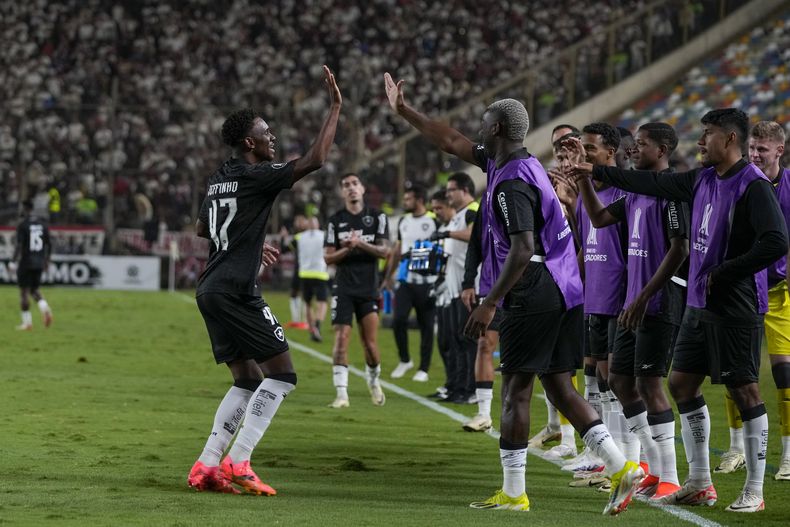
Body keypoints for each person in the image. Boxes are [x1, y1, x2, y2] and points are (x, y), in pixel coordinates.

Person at [385, 72, 642, 515]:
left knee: (516, 391)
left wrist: (489, 302)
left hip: (535, 288)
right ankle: (622, 468)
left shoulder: (509, 183)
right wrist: (405, 110)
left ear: (498, 129)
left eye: (485, 120)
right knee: (561, 387)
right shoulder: (515, 163)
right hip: (567, 289)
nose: (478, 127)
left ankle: (514, 492)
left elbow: (523, 247)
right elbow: (451, 140)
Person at [567, 108, 788, 513]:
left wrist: (725, 272)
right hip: (698, 304)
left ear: (731, 140)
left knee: (745, 390)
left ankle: (754, 489)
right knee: (682, 384)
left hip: (736, 305)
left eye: (708, 134)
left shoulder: (753, 186)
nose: (701, 142)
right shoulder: (703, 178)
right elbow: (647, 181)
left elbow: (776, 242)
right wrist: (594, 174)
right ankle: (700, 480)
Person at [188, 65, 341, 495]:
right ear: (249, 143)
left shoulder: (221, 177)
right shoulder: (258, 176)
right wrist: (334, 107)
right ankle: (240, 460)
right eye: (267, 133)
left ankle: (206, 465)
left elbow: (203, 229)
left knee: (247, 379)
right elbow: (317, 160)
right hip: (237, 290)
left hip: (210, 288)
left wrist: (248, 244)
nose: (273, 138)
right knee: (282, 375)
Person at [574, 122, 689, 501]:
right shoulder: (638, 192)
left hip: (657, 303)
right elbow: (600, 219)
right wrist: (584, 182)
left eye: (641, 144)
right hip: (632, 303)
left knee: (650, 385)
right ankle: (651, 468)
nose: (634, 149)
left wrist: (642, 297)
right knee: (621, 381)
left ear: (662, 150)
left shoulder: (671, 193)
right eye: (634, 143)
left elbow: (680, 249)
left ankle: (669, 476)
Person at [716, 121, 790, 480]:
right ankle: (736, 448)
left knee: (784, 374)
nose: (756, 155)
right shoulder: (737, 182)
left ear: (780, 150)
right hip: (743, 290)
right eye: (753, 148)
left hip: (780, 292)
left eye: (763, 149)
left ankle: (789, 454)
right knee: (737, 372)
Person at [554, 123, 629, 475]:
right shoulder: (589, 193)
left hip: (619, 300)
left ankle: (621, 459)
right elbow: (585, 246)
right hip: (592, 298)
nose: (583, 156)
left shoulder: (622, 193)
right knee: (595, 378)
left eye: (590, 150)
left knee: (616, 383)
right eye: (580, 149)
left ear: (610, 153)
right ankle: (599, 455)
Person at [324, 173, 390, 408]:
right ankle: (342, 394)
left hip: (368, 288)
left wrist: (359, 243)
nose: (351, 188)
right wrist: (347, 249)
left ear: (362, 189)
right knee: (341, 338)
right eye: (346, 185)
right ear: (342, 192)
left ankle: (373, 381)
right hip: (343, 288)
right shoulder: (335, 221)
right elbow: (328, 257)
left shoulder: (377, 216)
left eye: (354, 184)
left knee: (370, 345)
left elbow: (384, 252)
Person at [382, 183, 439, 381]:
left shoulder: (435, 220)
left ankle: (423, 368)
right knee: (398, 320)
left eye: (408, 199)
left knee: (426, 325)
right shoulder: (403, 221)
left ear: (420, 200)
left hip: (428, 281)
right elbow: (398, 249)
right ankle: (405, 359)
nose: (405, 202)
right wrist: (388, 276)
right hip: (405, 280)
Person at [431, 173, 479, 406]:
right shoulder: (458, 215)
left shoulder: (473, 210)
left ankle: (471, 389)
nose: (448, 194)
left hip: (469, 288)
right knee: (457, 341)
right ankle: (459, 386)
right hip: (453, 289)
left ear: (464, 190)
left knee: (468, 341)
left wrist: (447, 234)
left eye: (451, 190)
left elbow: (474, 236)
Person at [429, 189, 458, 400]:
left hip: (459, 290)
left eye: (439, 208)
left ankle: (463, 388)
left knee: (458, 343)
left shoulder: (462, 220)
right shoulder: (445, 227)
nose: (436, 212)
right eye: (434, 209)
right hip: (444, 290)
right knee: (445, 342)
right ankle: (451, 384)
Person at [12, 199, 53, 330]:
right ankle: (45, 308)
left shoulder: (23, 225)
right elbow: (49, 244)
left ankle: (27, 323)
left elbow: (19, 245)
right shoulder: (43, 224)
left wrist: (13, 262)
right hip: (39, 262)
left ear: (25, 209)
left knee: (24, 292)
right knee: (34, 289)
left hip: (26, 262)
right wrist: (46, 260)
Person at [296, 217, 329, 342]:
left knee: (308, 303)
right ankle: (318, 326)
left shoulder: (300, 237)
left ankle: (312, 330)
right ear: (318, 224)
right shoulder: (324, 235)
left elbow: (287, 247)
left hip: (305, 273)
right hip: (320, 273)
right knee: (322, 302)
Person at [285, 215, 309, 329]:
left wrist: (283, 237)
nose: (297, 223)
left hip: (302, 268)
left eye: (300, 221)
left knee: (297, 293)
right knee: (303, 294)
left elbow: (285, 249)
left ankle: (299, 320)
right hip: (308, 269)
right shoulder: (308, 236)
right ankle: (302, 320)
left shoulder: (299, 237)